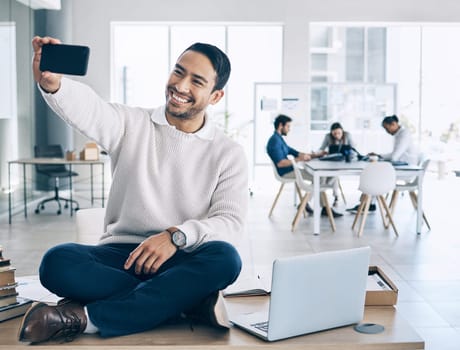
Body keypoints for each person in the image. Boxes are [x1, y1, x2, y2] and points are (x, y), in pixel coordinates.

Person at [18, 36, 248, 344]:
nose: (180, 86)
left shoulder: (228, 152)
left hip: (182, 257)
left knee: (226, 258)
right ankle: (182, 301)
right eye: (178, 72)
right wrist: (53, 84)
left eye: (196, 81)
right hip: (120, 257)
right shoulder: (131, 123)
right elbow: (91, 110)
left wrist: (175, 237)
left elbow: (229, 223)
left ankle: (88, 319)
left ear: (216, 96)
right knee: (57, 262)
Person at [266, 114, 342, 217]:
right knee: (319, 177)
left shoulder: (279, 139)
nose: (289, 129)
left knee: (321, 177)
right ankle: (322, 207)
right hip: (285, 172)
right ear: (280, 125)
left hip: (290, 169)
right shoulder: (275, 141)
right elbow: (281, 163)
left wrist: (315, 155)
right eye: (288, 126)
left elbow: (295, 152)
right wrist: (299, 159)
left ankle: (316, 205)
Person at [347, 114, 418, 213]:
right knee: (374, 172)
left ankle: (369, 205)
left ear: (393, 124)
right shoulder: (399, 134)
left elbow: (394, 156)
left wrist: (379, 156)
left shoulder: (404, 134)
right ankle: (368, 204)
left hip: (407, 170)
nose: (387, 131)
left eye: (386, 128)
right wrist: (379, 155)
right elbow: (394, 156)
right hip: (401, 167)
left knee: (374, 174)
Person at [316, 122, 355, 205]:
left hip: (344, 163)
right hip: (331, 162)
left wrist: (349, 154)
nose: (337, 135)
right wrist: (321, 153)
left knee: (333, 175)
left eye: (339, 133)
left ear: (342, 131)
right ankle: (329, 200)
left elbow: (354, 150)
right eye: (334, 133)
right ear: (331, 133)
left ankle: (331, 196)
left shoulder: (347, 135)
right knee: (326, 176)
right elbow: (321, 148)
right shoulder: (328, 136)